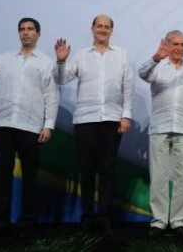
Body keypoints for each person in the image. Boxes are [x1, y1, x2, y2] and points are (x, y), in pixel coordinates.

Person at [0, 18, 59, 238]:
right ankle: (2, 225)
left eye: (30, 29)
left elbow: (52, 97)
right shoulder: (4, 59)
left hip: (30, 126)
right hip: (3, 125)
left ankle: (27, 225)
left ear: (38, 33)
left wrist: (49, 125)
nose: (26, 33)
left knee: (30, 177)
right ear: (18, 34)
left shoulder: (45, 63)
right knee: (3, 177)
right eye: (22, 29)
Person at [54, 14, 134, 236]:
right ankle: (87, 217)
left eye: (106, 27)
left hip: (111, 120)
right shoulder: (80, 55)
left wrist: (126, 115)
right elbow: (61, 80)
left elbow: (128, 87)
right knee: (87, 171)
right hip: (85, 121)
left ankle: (104, 218)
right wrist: (61, 61)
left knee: (107, 172)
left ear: (111, 31)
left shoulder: (122, 55)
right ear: (92, 29)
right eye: (99, 26)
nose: (102, 29)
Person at [138, 30, 183, 237]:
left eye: (182, 45)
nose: (179, 48)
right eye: (174, 44)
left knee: (182, 178)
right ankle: (158, 221)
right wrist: (156, 57)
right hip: (159, 127)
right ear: (166, 45)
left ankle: (177, 222)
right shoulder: (156, 67)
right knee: (158, 176)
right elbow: (142, 73)